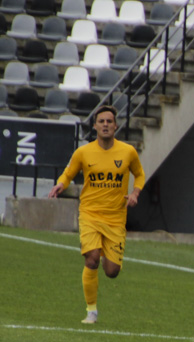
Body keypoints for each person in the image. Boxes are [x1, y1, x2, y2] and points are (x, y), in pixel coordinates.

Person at [48, 105, 145, 325]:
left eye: (109, 121)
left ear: (115, 126)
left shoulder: (128, 152)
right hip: (90, 214)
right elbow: (69, 172)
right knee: (92, 259)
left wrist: (135, 193)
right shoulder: (83, 152)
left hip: (115, 218)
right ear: (95, 126)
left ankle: (109, 254)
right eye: (101, 121)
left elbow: (139, 175)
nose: (105, 125)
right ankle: (91, 311)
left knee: (111, 272)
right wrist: (60, 185)